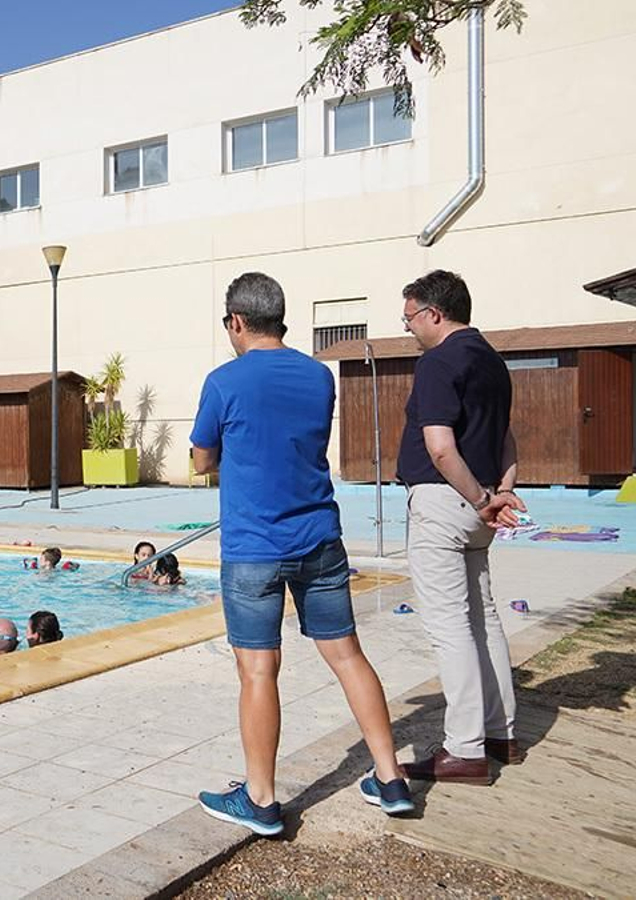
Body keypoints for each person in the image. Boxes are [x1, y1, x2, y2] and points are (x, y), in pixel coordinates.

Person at [190, 272, 409, 837]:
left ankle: (261, 799)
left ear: (236, 321)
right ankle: (391, 778)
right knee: (348, 656)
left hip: (254, 548)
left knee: (258, 669)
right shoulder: (318, 376)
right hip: (319, 539)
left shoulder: (223, 381)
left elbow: (201, 460)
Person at [396, 270, 528, 784]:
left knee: (450, 627)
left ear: (434, 313)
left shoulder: (438, 362)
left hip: (446, 503)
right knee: (484, 618)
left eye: (410, 317)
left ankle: (465, 749)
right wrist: (501, 491)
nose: (408, 327)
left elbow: (440, 447)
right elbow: (507, 437)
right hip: (479, 505)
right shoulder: (492, 361)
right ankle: (501, 733)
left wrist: (481, 499)